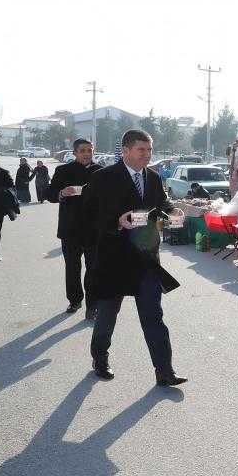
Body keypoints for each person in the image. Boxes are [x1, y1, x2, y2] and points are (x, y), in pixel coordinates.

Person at [83, 129, 186, 386]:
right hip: (113, 258)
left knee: (153, 316)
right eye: (142, 150)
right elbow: (89, 214)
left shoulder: (152, 177)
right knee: (107, 313)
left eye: (149, 150)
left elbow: (161, 204)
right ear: (126, 151)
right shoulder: (103, 178)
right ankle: (100, 358)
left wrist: (173, 211)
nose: (147, 155)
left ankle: (164, 371)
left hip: (145, 259)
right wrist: (116, 222)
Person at [47, 138, 102, 318]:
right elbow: (49, 193)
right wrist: (62, 193)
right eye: (83, 151)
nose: (87, 154)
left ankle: (92, 306)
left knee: (93, 268)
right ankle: (74, 300)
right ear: (75, 153)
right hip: (70, 228)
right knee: (72, 267)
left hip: (94, 229)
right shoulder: (63, 170)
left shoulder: (101, 171)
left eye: (89, 150)